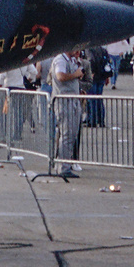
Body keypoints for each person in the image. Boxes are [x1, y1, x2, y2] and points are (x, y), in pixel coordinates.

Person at [50, 47, 85, 177]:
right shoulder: (60, 60)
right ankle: (63, 167)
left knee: (71, 134)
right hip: (65, 101)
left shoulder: (71, 60)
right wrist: (75, 74)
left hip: (73, 101)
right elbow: (60, 76)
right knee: (67, 134)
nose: (77, 50)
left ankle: (64, 164)